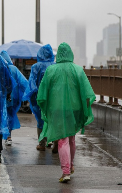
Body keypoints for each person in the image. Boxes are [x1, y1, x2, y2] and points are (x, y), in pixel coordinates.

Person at [37, 42, 95, 183]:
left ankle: (66, 171)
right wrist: (85, 108)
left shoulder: (51, 70)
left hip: (57, 109)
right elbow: (87, 92)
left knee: (62, 140)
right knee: (71, 138)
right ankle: (71, 165)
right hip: (74, 109)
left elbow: (43, 93)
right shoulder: (78, 70)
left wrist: (45, 106)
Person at [22, 44, 55, 151]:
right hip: (53, 97)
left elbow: (32, 83)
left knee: (41, 120)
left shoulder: (36, 66)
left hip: (39, 98)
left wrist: (31, 96)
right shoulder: (54, 66)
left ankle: (42, 143)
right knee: (52, 119)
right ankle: (53, 141)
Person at [0, 50, 28, 146]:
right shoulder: (14, 69)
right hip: (13, 98)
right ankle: (9, 137)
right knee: (10, 116)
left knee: (2, 116)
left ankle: (2, 136)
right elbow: (24, 82)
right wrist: (27, 94)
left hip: (1, 98)